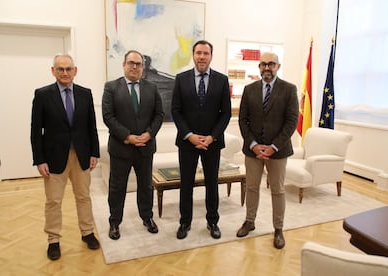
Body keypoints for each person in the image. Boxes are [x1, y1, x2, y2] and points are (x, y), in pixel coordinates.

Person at [30, 54, 100, 261]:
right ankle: (53, 240)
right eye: (60, 69)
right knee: (53, 201)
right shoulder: (42, 95)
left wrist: (94, 153)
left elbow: (91, 127)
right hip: (53, 159)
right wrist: (39, 159)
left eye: (69, 69)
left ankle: (87, 232)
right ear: (53, 71)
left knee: (84, 197)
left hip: (81, 156)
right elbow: (36, 131)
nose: (65, 73)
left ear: (75, 70)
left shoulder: (85, 94)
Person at [236, 52, 299, 249]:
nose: (266, 68)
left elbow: (291, 121)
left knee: (278, 190)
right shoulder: (249, 89)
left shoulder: (289, 89)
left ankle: (278, 229)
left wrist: (273, 147)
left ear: (278, 66)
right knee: (252, 187)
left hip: (277, 151)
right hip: (252, 150)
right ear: (259, 67)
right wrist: (254, 144)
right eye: (263, 64)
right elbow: (242, 120)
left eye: (271, 64)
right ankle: (250, 221)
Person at [171, 40, 231, 240]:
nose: (202, 56)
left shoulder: (222, 80)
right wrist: (190, 136)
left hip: (212, 143)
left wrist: (212, 137)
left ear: (211, 56)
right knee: (186, 183)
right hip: (188, 142)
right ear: (193, 55)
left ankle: (212, 221)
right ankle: (184, 222)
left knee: (212, 183)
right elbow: (176, 111)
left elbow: (226, 113)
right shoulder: (181, 79)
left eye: (206, 53)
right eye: (198, 53)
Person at [102, 50, 164, 240]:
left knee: (145, 186)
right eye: (131, 63)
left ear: (143, 67)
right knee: (117, 187)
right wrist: (128, 136)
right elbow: (108, 116)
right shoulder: (111, 87)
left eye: (138, 64)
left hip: (145, 147)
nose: (134, 67)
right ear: (124, 65)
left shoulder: (152, 88)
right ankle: (114, 222)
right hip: (121, 147)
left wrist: (148, 134)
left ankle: (147, 218)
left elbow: (159, 115)